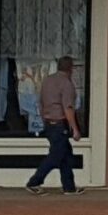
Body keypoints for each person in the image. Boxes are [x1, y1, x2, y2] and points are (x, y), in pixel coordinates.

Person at [26, 56, 82, 193]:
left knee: (66, 155)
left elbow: (40, 102)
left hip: (49, 123)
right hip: (59, 123)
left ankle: (69, 187)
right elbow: (68, 107)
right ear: (71, 68)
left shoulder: (47, 81)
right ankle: (34, 182)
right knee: (56, 155)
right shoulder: (66, 84)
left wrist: (45, 119)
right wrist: (75, 129)